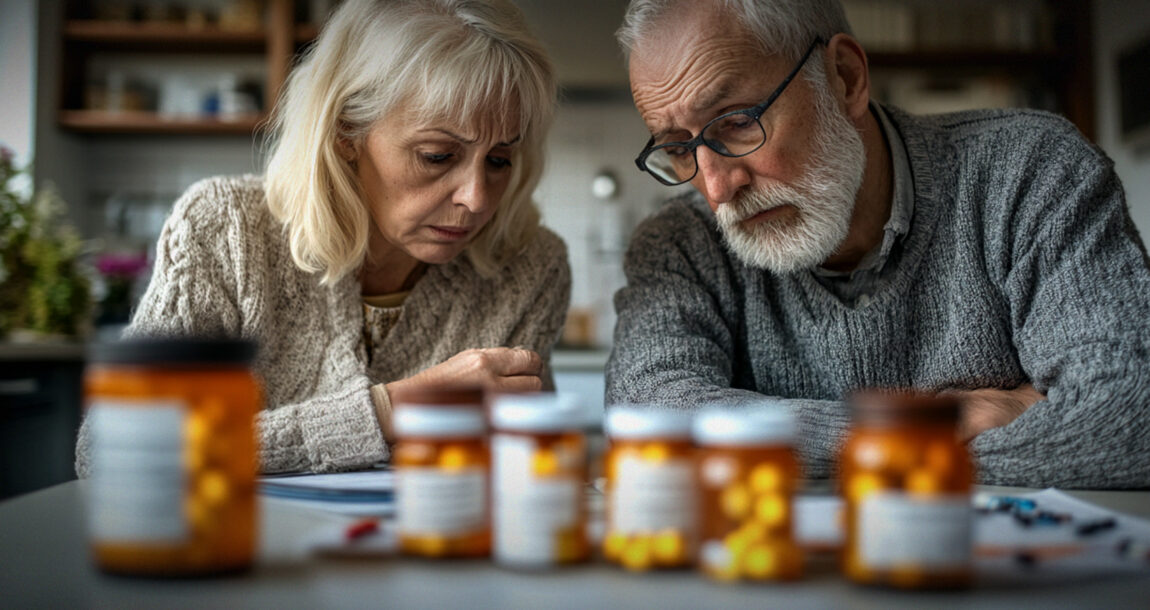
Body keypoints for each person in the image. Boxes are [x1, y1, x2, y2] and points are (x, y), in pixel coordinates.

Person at [606, 0, 1150, 488]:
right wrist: (931, 431)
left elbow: (1131, 410)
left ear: (844, 78)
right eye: (679, 150)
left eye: (737, 122)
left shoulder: (1031, 173)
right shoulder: (680, 241)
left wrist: (768, 440)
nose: (718, 188)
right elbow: (652, 420)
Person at [76, 0, 569, 475]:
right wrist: (387, 411)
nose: (477, 199)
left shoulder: (529, 266)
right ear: (345, 134)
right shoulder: (223, 229)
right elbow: (115, 449)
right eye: (438, 155)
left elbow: (523, 461)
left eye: (499, 159)